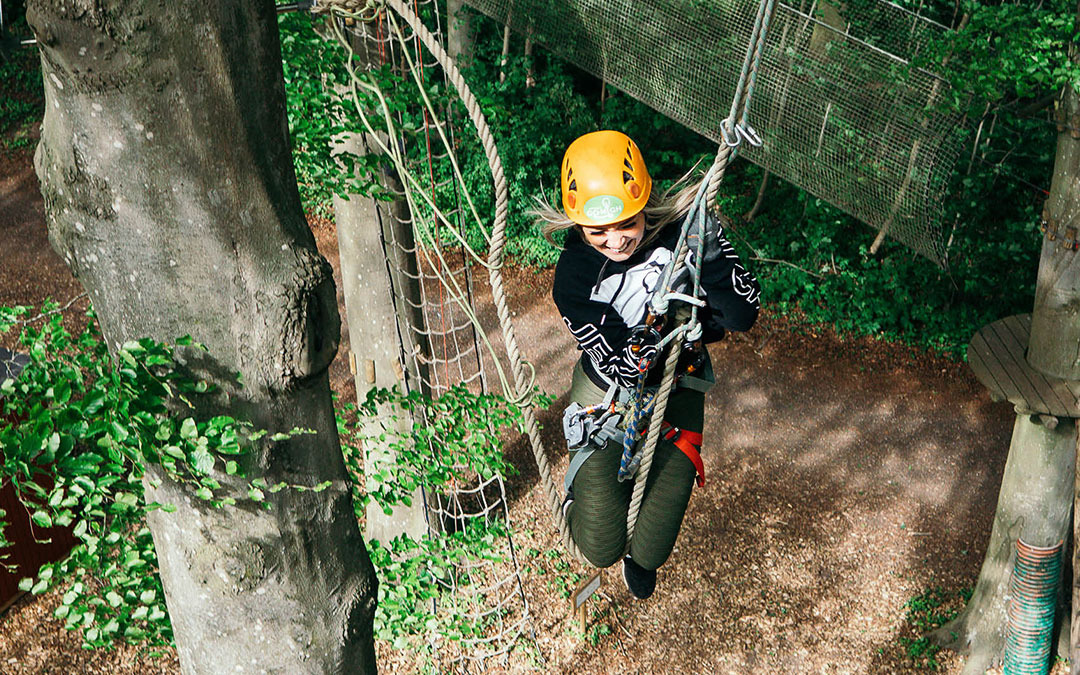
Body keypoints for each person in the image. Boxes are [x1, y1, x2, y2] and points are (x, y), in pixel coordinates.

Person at [532, 130, 760, 600]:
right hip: (607, 396)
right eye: (598, 231)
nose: (615, 240)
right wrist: (664, 323)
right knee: (599, 545)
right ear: (578, 227)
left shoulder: (682, 236)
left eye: (626, 223)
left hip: (680, 386)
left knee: (652, 548)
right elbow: (621, 363)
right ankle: (590, 507)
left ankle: (642, 557)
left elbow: (743, 315)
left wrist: (713, 260)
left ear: (644, 206)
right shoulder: (574, 277)